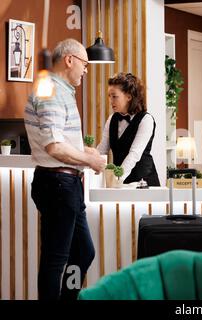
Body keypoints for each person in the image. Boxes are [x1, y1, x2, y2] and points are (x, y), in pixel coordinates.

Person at [24, 39, 105, 300]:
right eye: (85, 63)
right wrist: (88, 160)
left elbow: (58, 139)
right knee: (55, 259)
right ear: (69, 59)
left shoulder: (59, 90)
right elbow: (53, 146)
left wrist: (85, 151)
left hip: (65, 184)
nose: (86, 69)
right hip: (58, 184)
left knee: (83, 252)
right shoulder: (52, 92)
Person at [97, 72, 160, 186]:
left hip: (143, 183)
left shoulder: (146, 120)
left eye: (115, 96)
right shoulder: (112, 119)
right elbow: (102, 150)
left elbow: (134, 154)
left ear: (129, 97)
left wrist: (117, 178)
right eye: (109, 96)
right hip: (120, 183)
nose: (111, 101)